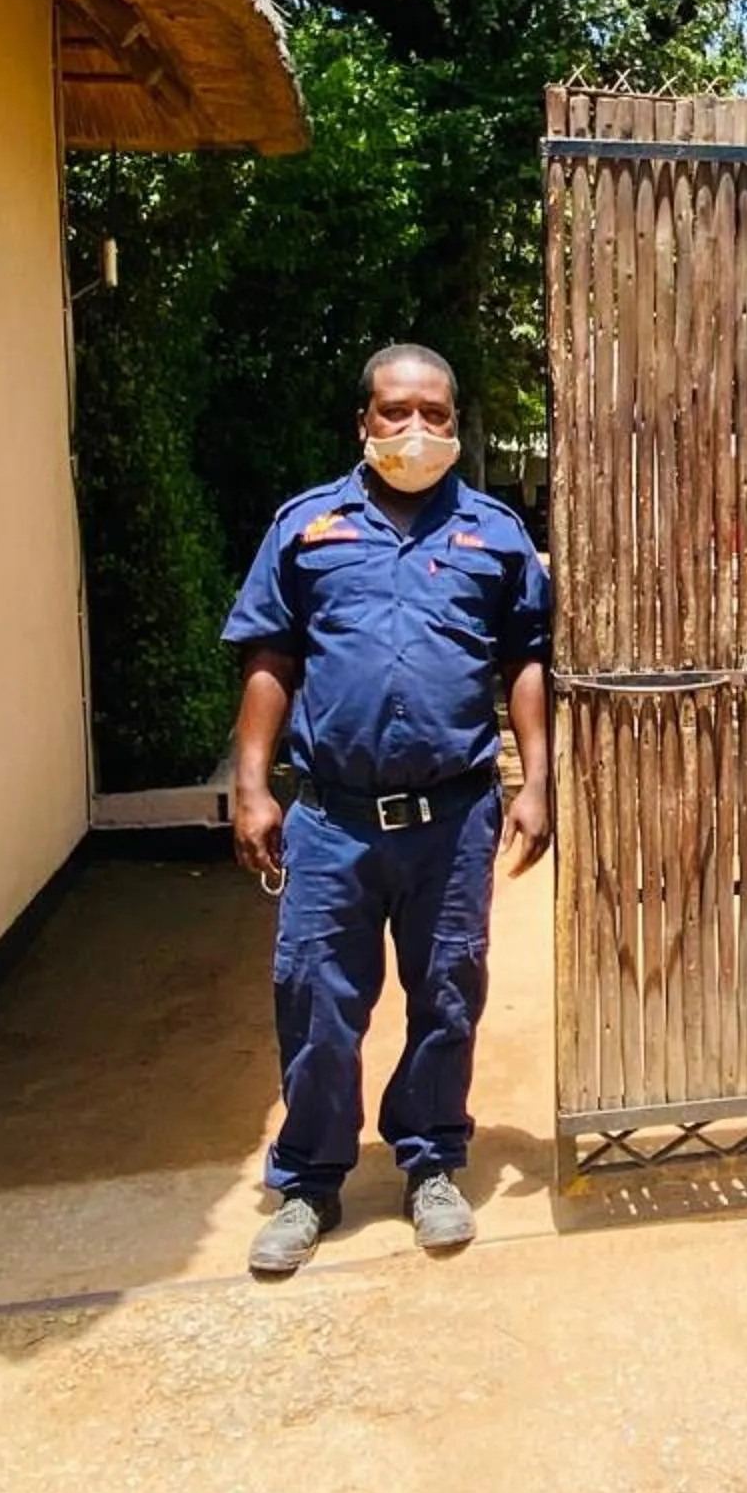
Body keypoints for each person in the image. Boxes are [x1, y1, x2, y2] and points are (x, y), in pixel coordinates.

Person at [223, 344, 553, 1274]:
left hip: (453, 821)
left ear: (456, 423)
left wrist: (537, 780)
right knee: (318, 1002)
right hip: (332, 821)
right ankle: (309, 1180)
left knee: (447, 995)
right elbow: (270, 658)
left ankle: (432, 1161)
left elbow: (525, 660)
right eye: (396, 410)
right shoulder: (307, 528)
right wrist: (252, 786)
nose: (415, 428)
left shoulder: (495, 536)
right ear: (363, 422)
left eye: (434, 413)